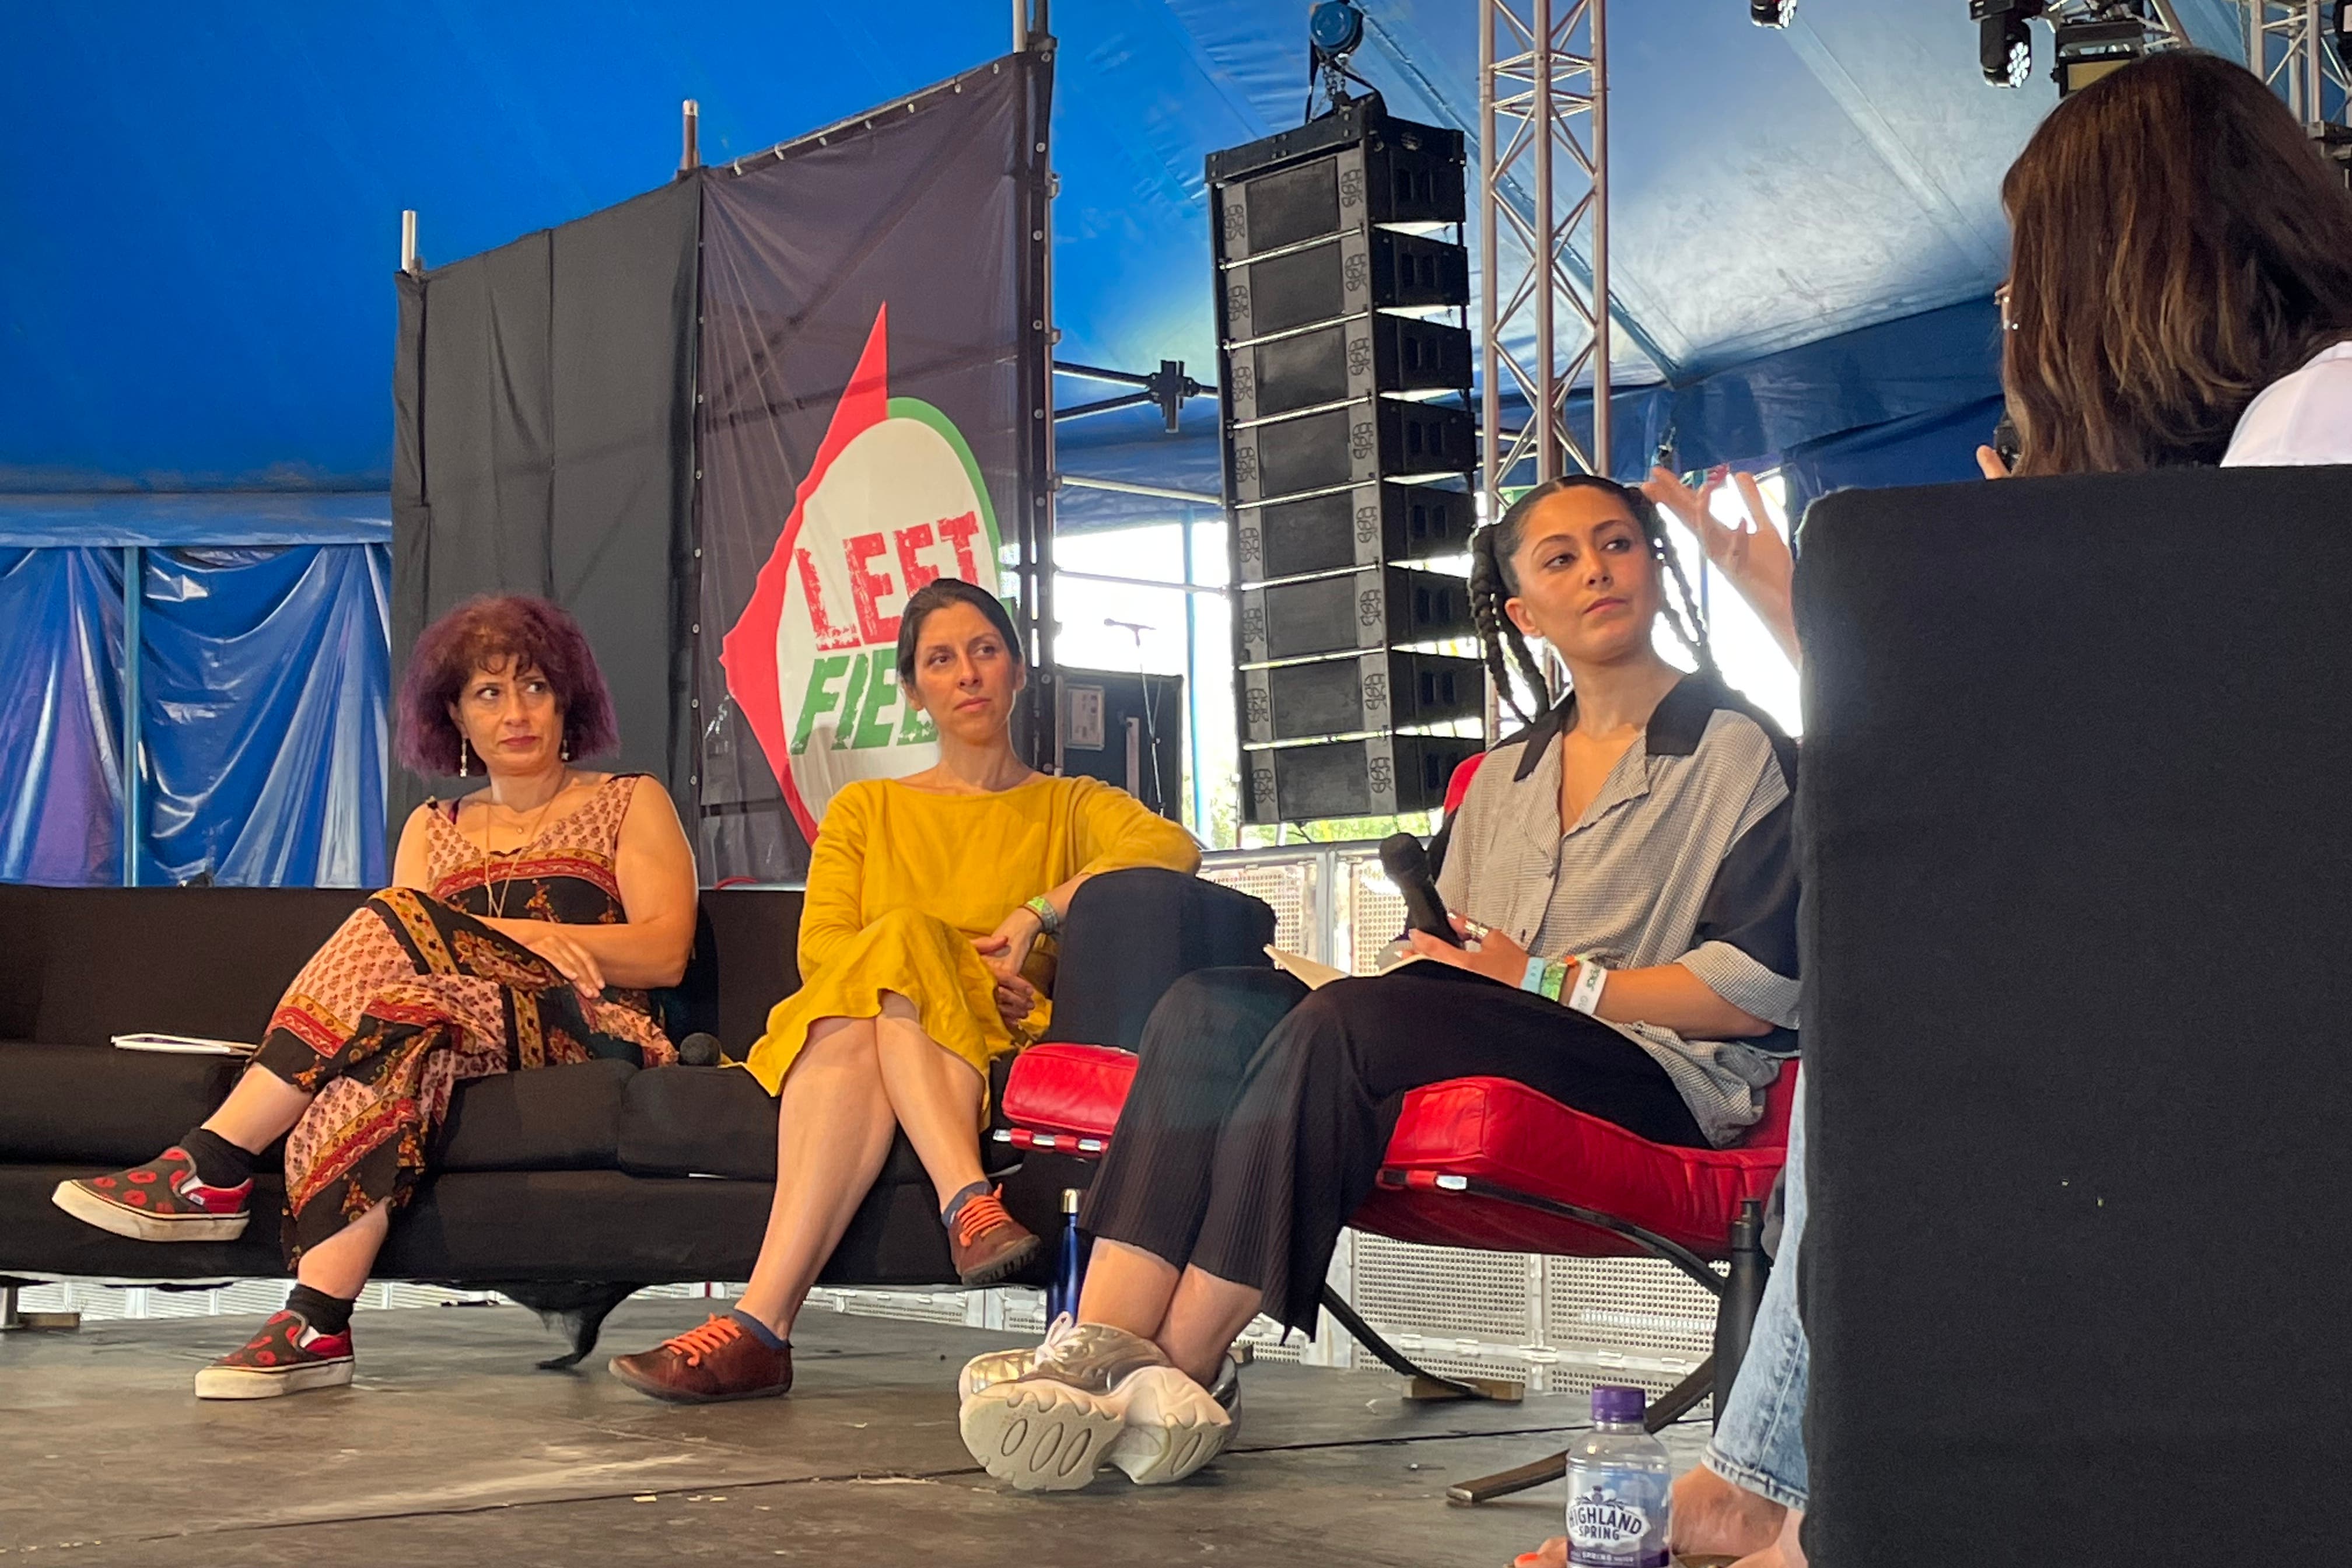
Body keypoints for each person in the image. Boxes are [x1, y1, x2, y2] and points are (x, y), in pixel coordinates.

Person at [1514, 50, 2352, 1568]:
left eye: (2030, 294)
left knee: (1902, 991)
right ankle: (1766, 1483)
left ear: (2132, 265)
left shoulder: (2319, 428)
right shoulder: (2277, 436)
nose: (2019, 331)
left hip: (2243, 1030)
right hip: (2225, 997)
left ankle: (1772, 1488)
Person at [951, 474, 1801, 1492]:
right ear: (1524, 611)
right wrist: (1442, 977)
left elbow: (1750, 996)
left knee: (1351, 1020)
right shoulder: (1499, 778)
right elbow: (1443, 971)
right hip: (1484, 1027)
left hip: (1656, 1072)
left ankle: (1186, 1365)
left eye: (1617, 544)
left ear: (1654, 570)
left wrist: (1545, 979)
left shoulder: (1742, 750)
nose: (1598, 570)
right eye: (1562, 557)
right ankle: (1103, 1344)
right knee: (1213, 1004)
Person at [52, 594, 698, 1399]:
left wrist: (528, 942)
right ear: (455, 717)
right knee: (391, 1029)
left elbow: (667, 952)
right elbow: (399, 980)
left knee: (397, 920)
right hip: (457, 1027)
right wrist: (492, 951)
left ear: (568, 698)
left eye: (533, 686)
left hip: (594, 1025)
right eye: (488, 694)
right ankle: (317, 1323)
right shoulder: (434, 826)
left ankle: (214, 1160)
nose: (516, 712)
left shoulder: (628, 800)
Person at [607, 578, 1200, 1404]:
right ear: (914, 689)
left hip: (992, 1029)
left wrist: (1040, 913)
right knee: (891, 957)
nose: (967, 675)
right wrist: (936, 959)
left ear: (1019, 670)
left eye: (986, 652)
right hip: (864, 1016)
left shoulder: (1070, 806)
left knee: (891, 967)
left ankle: (760, 1328)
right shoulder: (867, 808)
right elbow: (825, 955)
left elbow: (1170, 848)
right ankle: (969, 1204)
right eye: (942, 660)